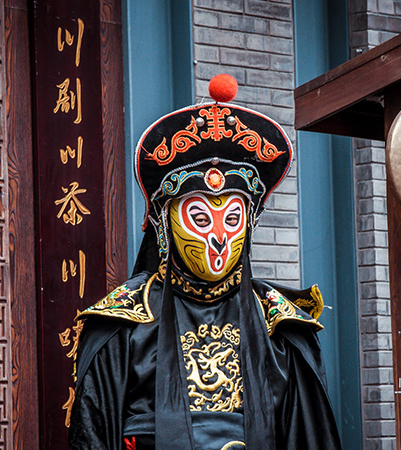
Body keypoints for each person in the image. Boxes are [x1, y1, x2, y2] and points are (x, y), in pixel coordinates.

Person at [68, 74, 342, 450]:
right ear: (164, 224)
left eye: (232, 219)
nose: (219, 236)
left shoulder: (281, 328)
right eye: (199, 218)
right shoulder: (121, 327)